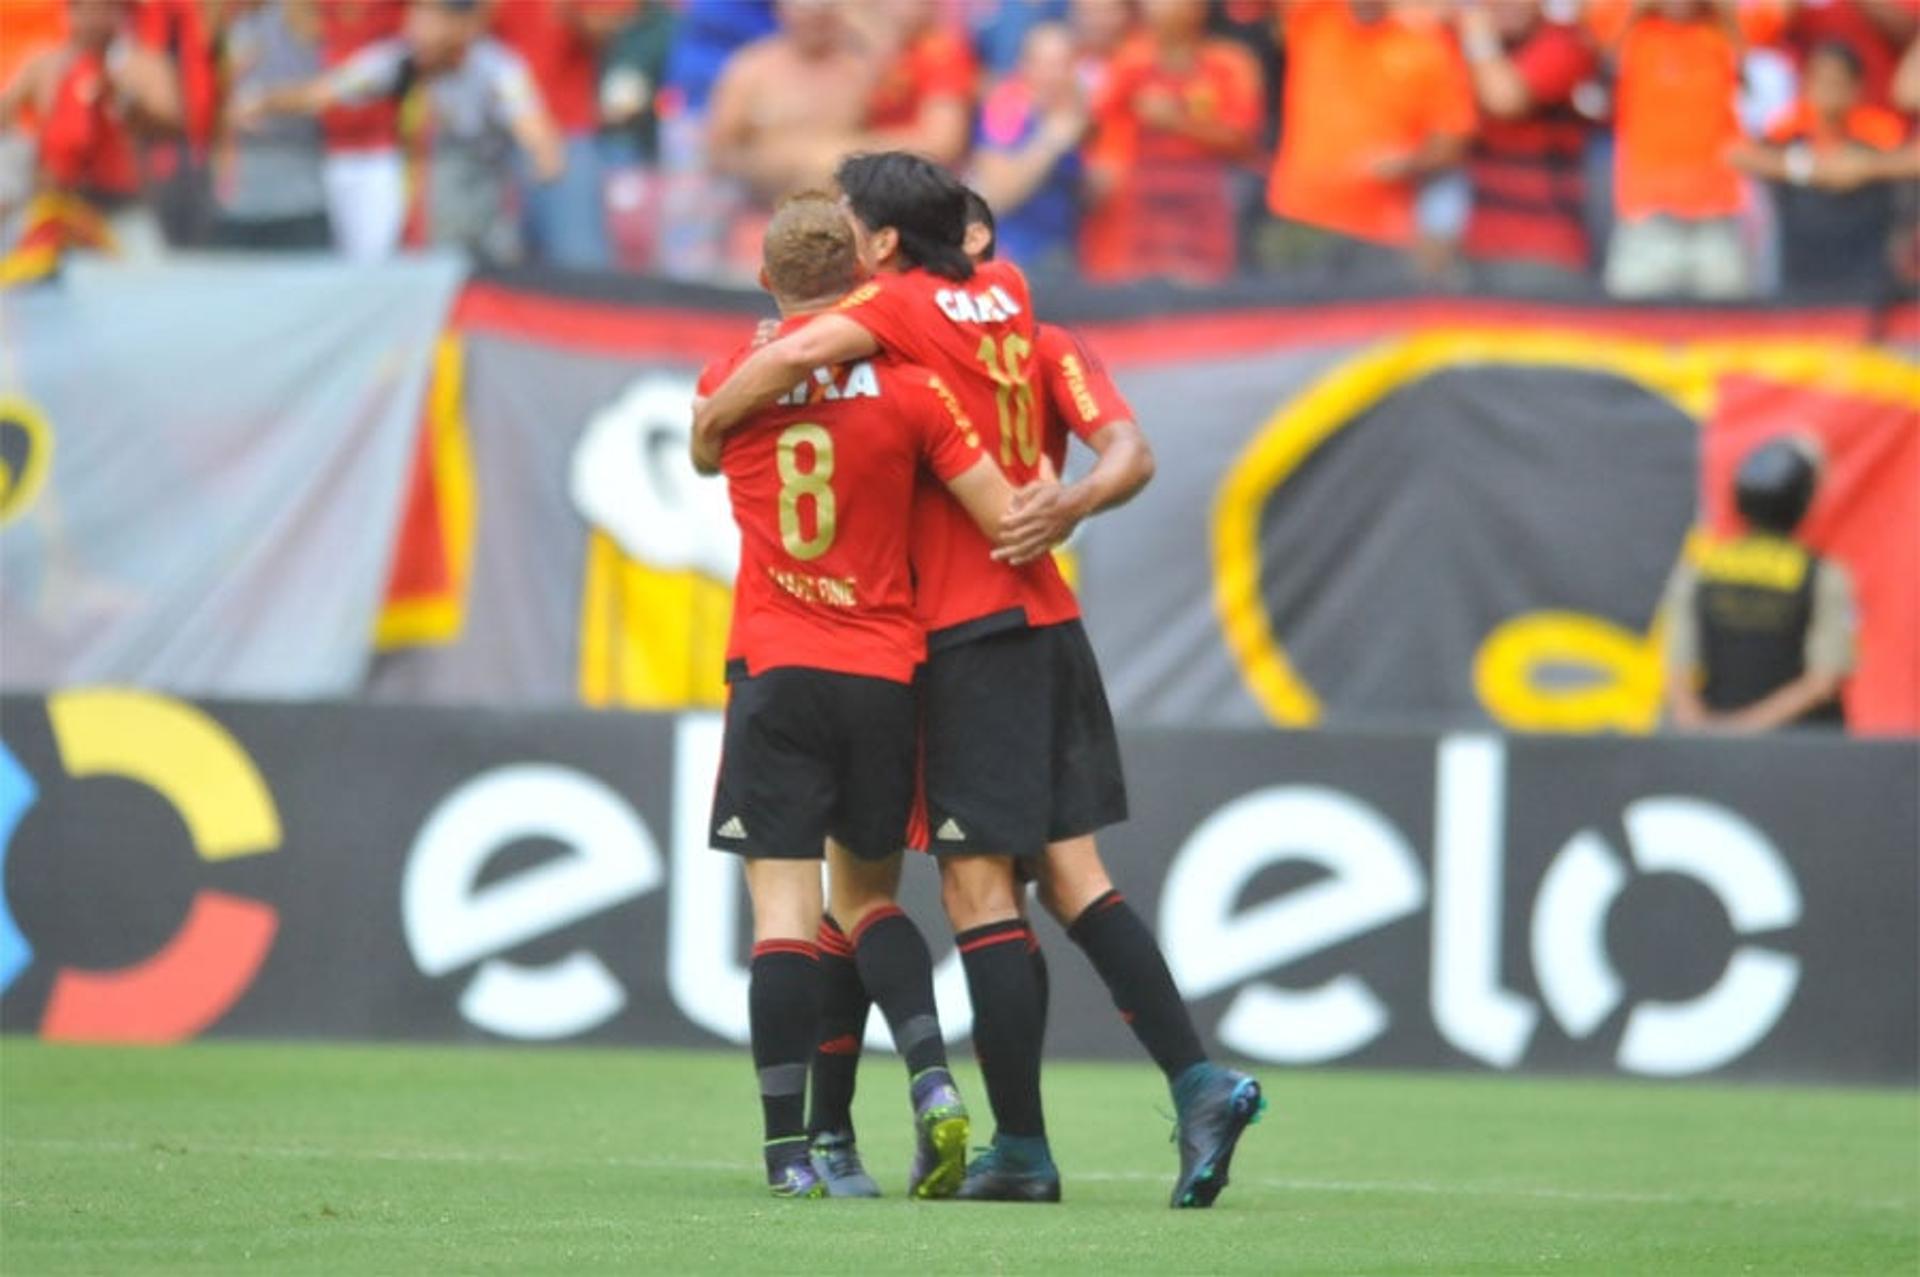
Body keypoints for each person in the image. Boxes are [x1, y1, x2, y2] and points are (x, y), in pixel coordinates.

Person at [695, 153, 1263, 1209]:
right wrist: (1078, 499)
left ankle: (1014, 1145)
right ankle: (1191, 1083)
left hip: (957, 631)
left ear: (892, 246)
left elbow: (809, 343)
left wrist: (710, 415)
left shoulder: (896, 318)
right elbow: (1130, 450)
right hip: (1049, 621)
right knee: (1070, 874)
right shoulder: (1030, 324)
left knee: (967, 887)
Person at [691, 191, 1014, 1199]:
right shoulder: (914, 389)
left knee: (783, 917)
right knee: (867, 900)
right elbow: (1001, 514)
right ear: (866, 281)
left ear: (764, 281)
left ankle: (790, 1153)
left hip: (775, 666)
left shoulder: (727, 384)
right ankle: (927, 1076)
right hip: (883, 670)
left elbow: (705, 447)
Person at [235, 0, 564, 265]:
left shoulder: (496, 68)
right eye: (415, 17)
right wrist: (261, 101)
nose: (417, 30)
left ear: (462, 27)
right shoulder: (399, 62)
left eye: (431, 19)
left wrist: (543, 153)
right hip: (420, 223)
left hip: (481, 217)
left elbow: (532, 124)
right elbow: (322, 93)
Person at [1264, 0, 1477, 284]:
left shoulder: (1425, 44)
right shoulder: (1317, 19)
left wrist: (1408, 163)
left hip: (1378, 232)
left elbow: (1453, 141)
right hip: (1300, 216)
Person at [1663, 436, 1856, 733]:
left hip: (1714, 751)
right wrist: (1748, 731)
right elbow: (1823, 681)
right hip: (1801, 752)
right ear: (1805, 502)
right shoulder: (1823, 576)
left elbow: (1678, 676)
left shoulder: (1702, 571)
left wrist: (1706, 733)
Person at [1594, 0, 1773, 299]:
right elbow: (1600, 64)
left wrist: (1726, 14)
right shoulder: (1636, 32)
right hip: (1647, 216)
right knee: (1632, 330)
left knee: (1724, 332)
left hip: (1716, 216)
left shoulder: (1722, 33)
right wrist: (1637, 12)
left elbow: (1753, 72)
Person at [1080, 0, 1263, 284]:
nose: (1158, 7)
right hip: (1142, 202)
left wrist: (1175, 121)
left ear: (1198, 8)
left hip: (1208, 198)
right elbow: (1100, 127)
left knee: (1206, 289)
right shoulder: (1130, 63)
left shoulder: (1228, 64)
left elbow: (1244, 140)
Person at [0, 0, 180, 277]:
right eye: (87, 8)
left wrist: (123, 100)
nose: (95, 18)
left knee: (148, 291)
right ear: (70, 13)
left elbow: (174, 124)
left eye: (106, 8)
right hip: (56, 211)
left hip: (120, 213)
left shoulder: (141, 66)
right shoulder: (45, 65)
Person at [703, 0, 871, 279]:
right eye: (807, 9)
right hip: (761, 195)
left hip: (841, 203)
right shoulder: (752, 68)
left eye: (825, 10)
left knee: (826, 163)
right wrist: (780, 159)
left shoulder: (861, 71)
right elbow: (719, 148)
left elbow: (880, 140)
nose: (816, 19)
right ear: (783, 10)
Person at [1731, 40, 1910, 294]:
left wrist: (1868, 166)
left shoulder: (1876, 129)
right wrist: (1808, 168)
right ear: (1806, 86)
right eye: (1820, 81)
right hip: (1801, 273)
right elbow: (1737, 154)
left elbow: (1911, 158)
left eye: (1837, 82)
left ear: (1856, 88)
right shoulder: (1790, 127)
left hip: (1866, 274)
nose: (1827, 91)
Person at [1454, 0, 1599, 291]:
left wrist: (1477, 38)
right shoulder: (1474, 49)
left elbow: (1505, 99)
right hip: (1481, 243)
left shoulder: (1564, 42)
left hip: (1545, 250)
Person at [211, 0, 331, 252]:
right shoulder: (235, 27)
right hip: (238, 206)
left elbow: (323, 92)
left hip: (297, 203)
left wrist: (264, 101)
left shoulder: (295, 15)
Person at [970, 21, 1089, 276]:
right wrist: (1050, 141)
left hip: (1066, 254)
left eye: (1062, 64)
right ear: (1025, 67)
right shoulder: (1006, 109)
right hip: (1014, 256)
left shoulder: (1081, 114)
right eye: (1044, 64)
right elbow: (996, 194)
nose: (1053, 74)